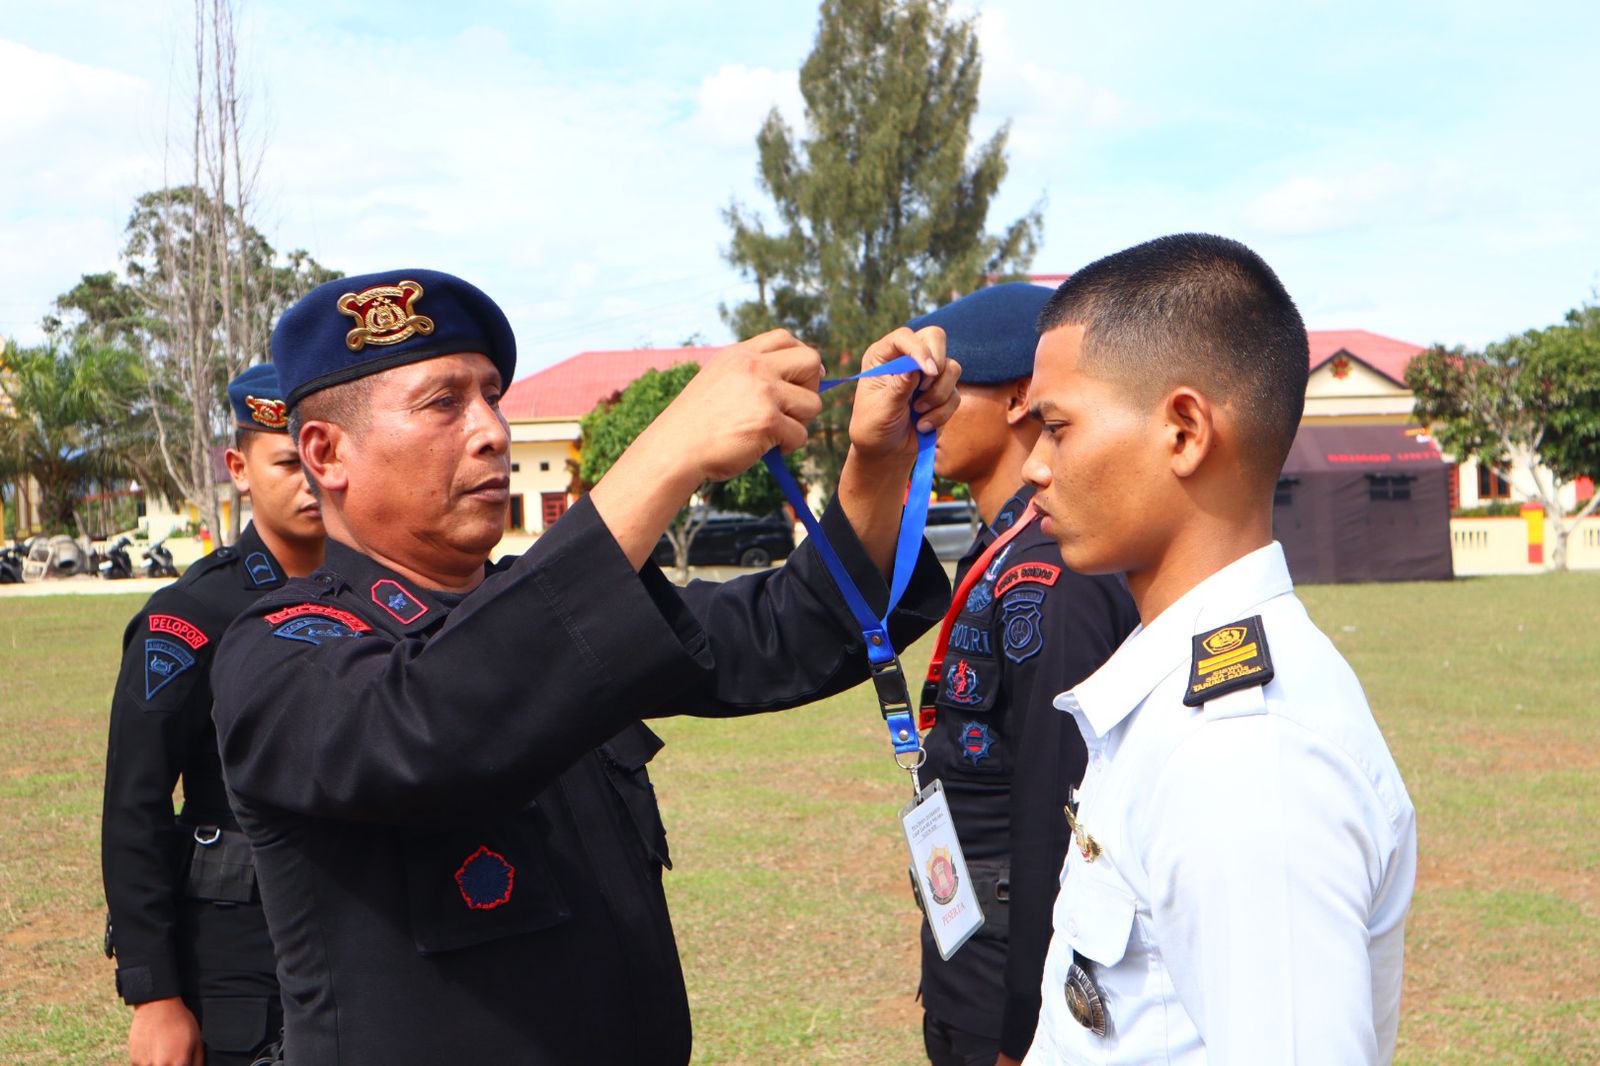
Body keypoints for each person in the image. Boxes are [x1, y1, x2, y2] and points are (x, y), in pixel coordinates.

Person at [208, 268, 961, 1064]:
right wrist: (667, 453)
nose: (492, 431)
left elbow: (787, 629)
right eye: (443, 403)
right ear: (327, 453)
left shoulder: (544, 608)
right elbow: (429, 728)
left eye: (491, 396)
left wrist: (877, 462)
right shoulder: (281, 648)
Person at [1019, 234, 1418, 1064]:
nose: (1034, 466)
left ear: (1185, 431)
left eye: (1056, 428)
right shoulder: (1181, 690)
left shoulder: (1247, 756)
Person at [908, 284, 1140, 1066]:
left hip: (1014, 991)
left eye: (943, 394)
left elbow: (1059, 813)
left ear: (1018, 399)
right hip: (968, 955)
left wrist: (1025, 1030)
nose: (922, 416)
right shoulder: (1003, 547)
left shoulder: (1052, 566)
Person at [101, 363, 324, 1066]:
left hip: (365, 942)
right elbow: (134, 804)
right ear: (239, 469)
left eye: (323, 457)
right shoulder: (191, 616)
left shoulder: (378, 594)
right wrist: (155, 996)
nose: (311, 481)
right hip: (239, 957)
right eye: (286, 462)